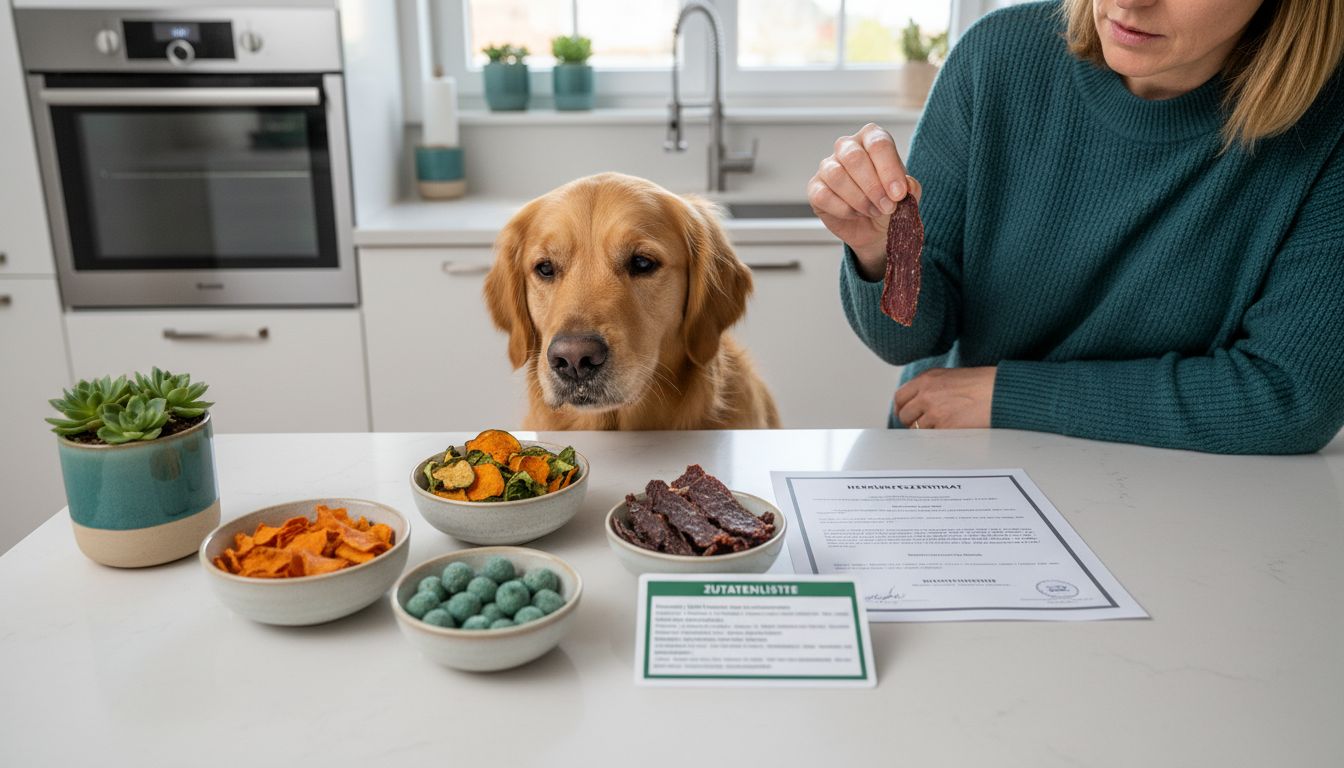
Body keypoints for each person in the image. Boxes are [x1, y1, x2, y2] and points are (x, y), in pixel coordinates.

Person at [808, 0, 1344, 454]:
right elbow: (909, 340)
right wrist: (879, 250)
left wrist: (1008, 396)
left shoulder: (1328, 127)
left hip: (1175, 490)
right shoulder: (999, 56)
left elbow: (1290, 395)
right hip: (964, 458)